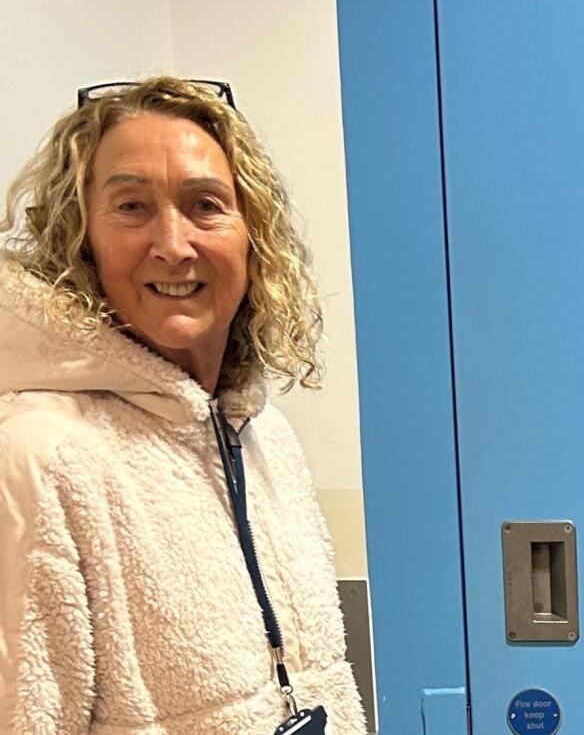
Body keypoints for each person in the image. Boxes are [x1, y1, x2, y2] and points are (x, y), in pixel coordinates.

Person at [0, 77, 365, 733]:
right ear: (81, 238)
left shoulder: (262, 433)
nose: (172, 245)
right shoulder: (36, 456)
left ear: (253, 236)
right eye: (131, 207)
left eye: (205, 205)